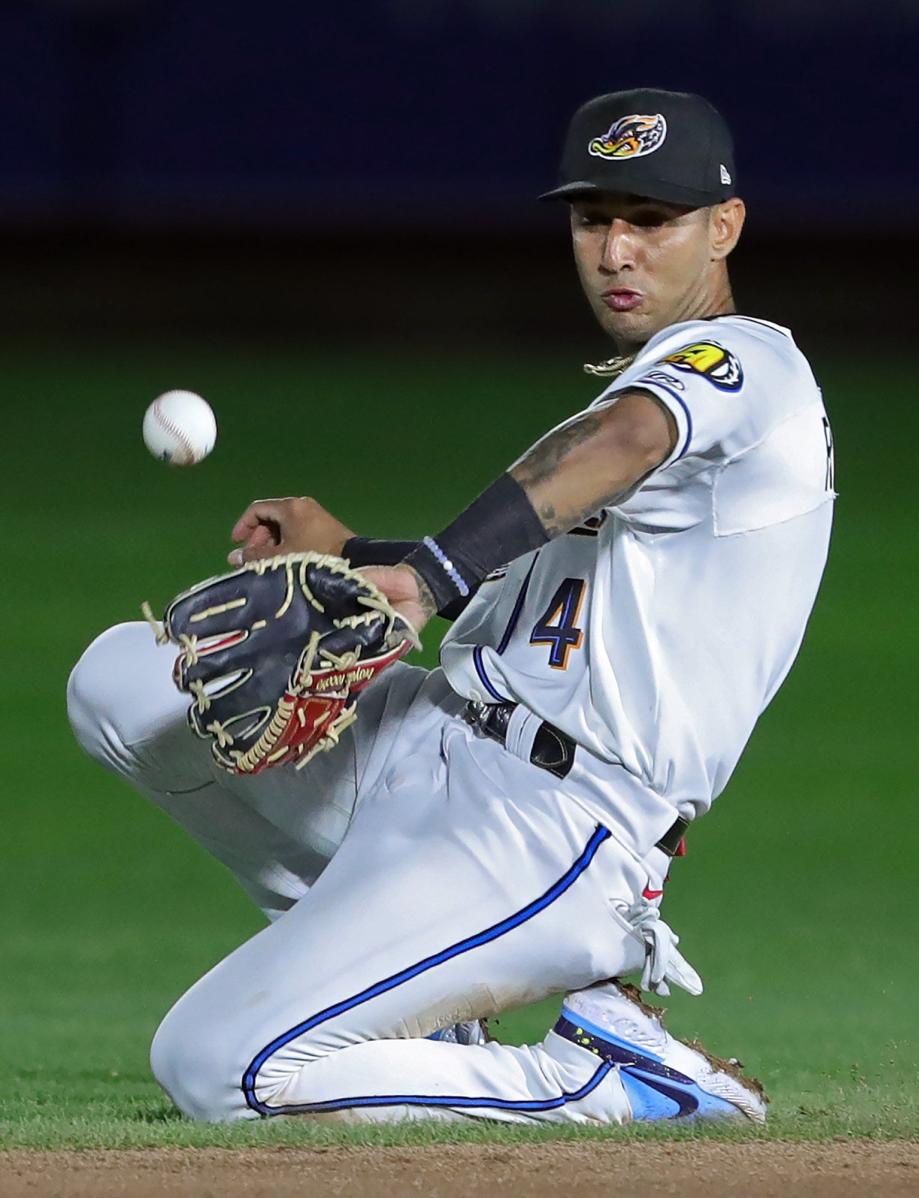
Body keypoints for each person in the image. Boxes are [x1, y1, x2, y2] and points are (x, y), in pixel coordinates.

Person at [67, 87, 834, 1126]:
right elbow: (538, 564)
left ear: (725, 227)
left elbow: (619, 446)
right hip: (429, 743)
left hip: (550, 823)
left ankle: (605, 1084)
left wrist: (421, 579)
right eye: (592, 218)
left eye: (651, 221)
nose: (616, 251)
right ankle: (414, 1009)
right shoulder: (652, 394)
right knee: (119, 683)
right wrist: (355, 554)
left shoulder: (748, 367)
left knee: (215, 1067)